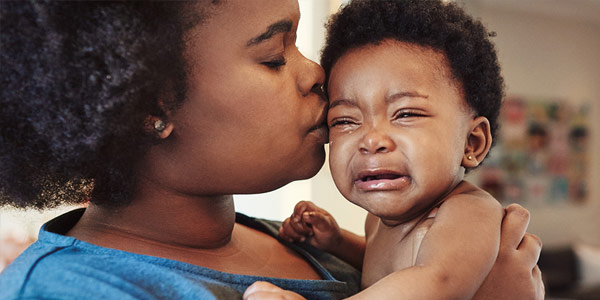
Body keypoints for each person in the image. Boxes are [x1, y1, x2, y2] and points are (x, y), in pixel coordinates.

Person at [0, 1, 542, 299]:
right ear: (149, 104)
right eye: (273, 57)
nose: (317, 75)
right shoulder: (70, 289)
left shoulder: (294, 241)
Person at [243, 0, 544, 299]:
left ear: (472, 142)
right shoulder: (379, 220)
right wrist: (337, 243)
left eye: (406, 114)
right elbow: (390, 273)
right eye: (345, 120)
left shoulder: (468, 212)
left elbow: (436, 282)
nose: (371, 140)